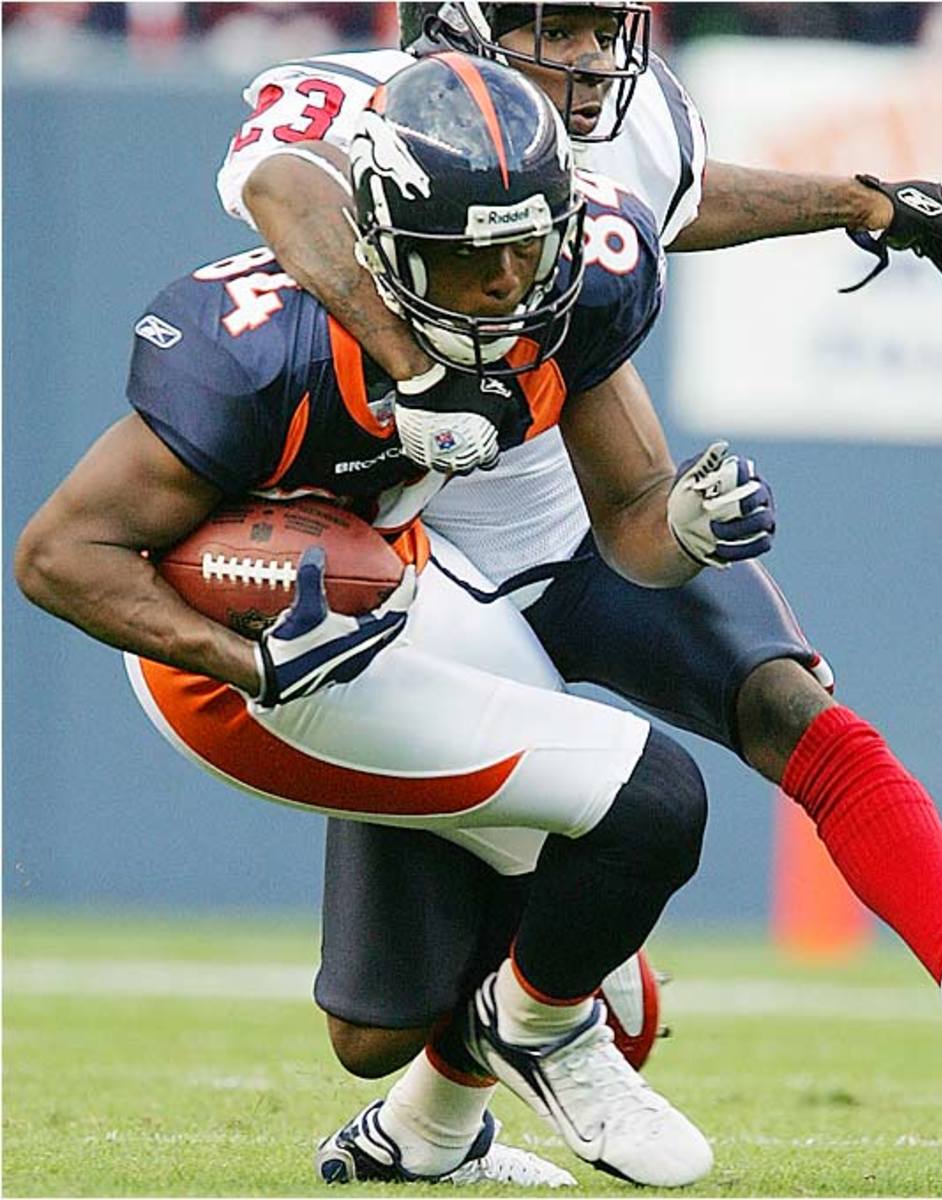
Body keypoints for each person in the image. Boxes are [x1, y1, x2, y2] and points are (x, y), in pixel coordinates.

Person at [212, 0, 942, 1142]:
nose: (594, 62)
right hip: (416, 576)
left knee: (791, 706)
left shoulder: (637, 122)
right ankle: (431, 1115)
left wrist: (864, 202)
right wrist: (414, 368)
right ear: (457, 25)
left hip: (583, 520)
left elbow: (681, 194)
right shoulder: (360, 102)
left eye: (604, 31)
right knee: (373, 1029)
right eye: (562, 31)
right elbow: (283, 186)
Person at [15, 53, 784, 1188]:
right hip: (237, 666)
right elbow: (57, 554)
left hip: (394, 596)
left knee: (393, 1018)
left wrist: (687, 526)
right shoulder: (262, 349)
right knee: (649, 801)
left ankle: (423, 1136)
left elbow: (630, 523)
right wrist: (250, 660)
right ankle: (543, 1033)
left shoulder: (577, 291)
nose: (509, 283)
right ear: (386, 245)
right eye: (471, 256)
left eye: (530, 247)